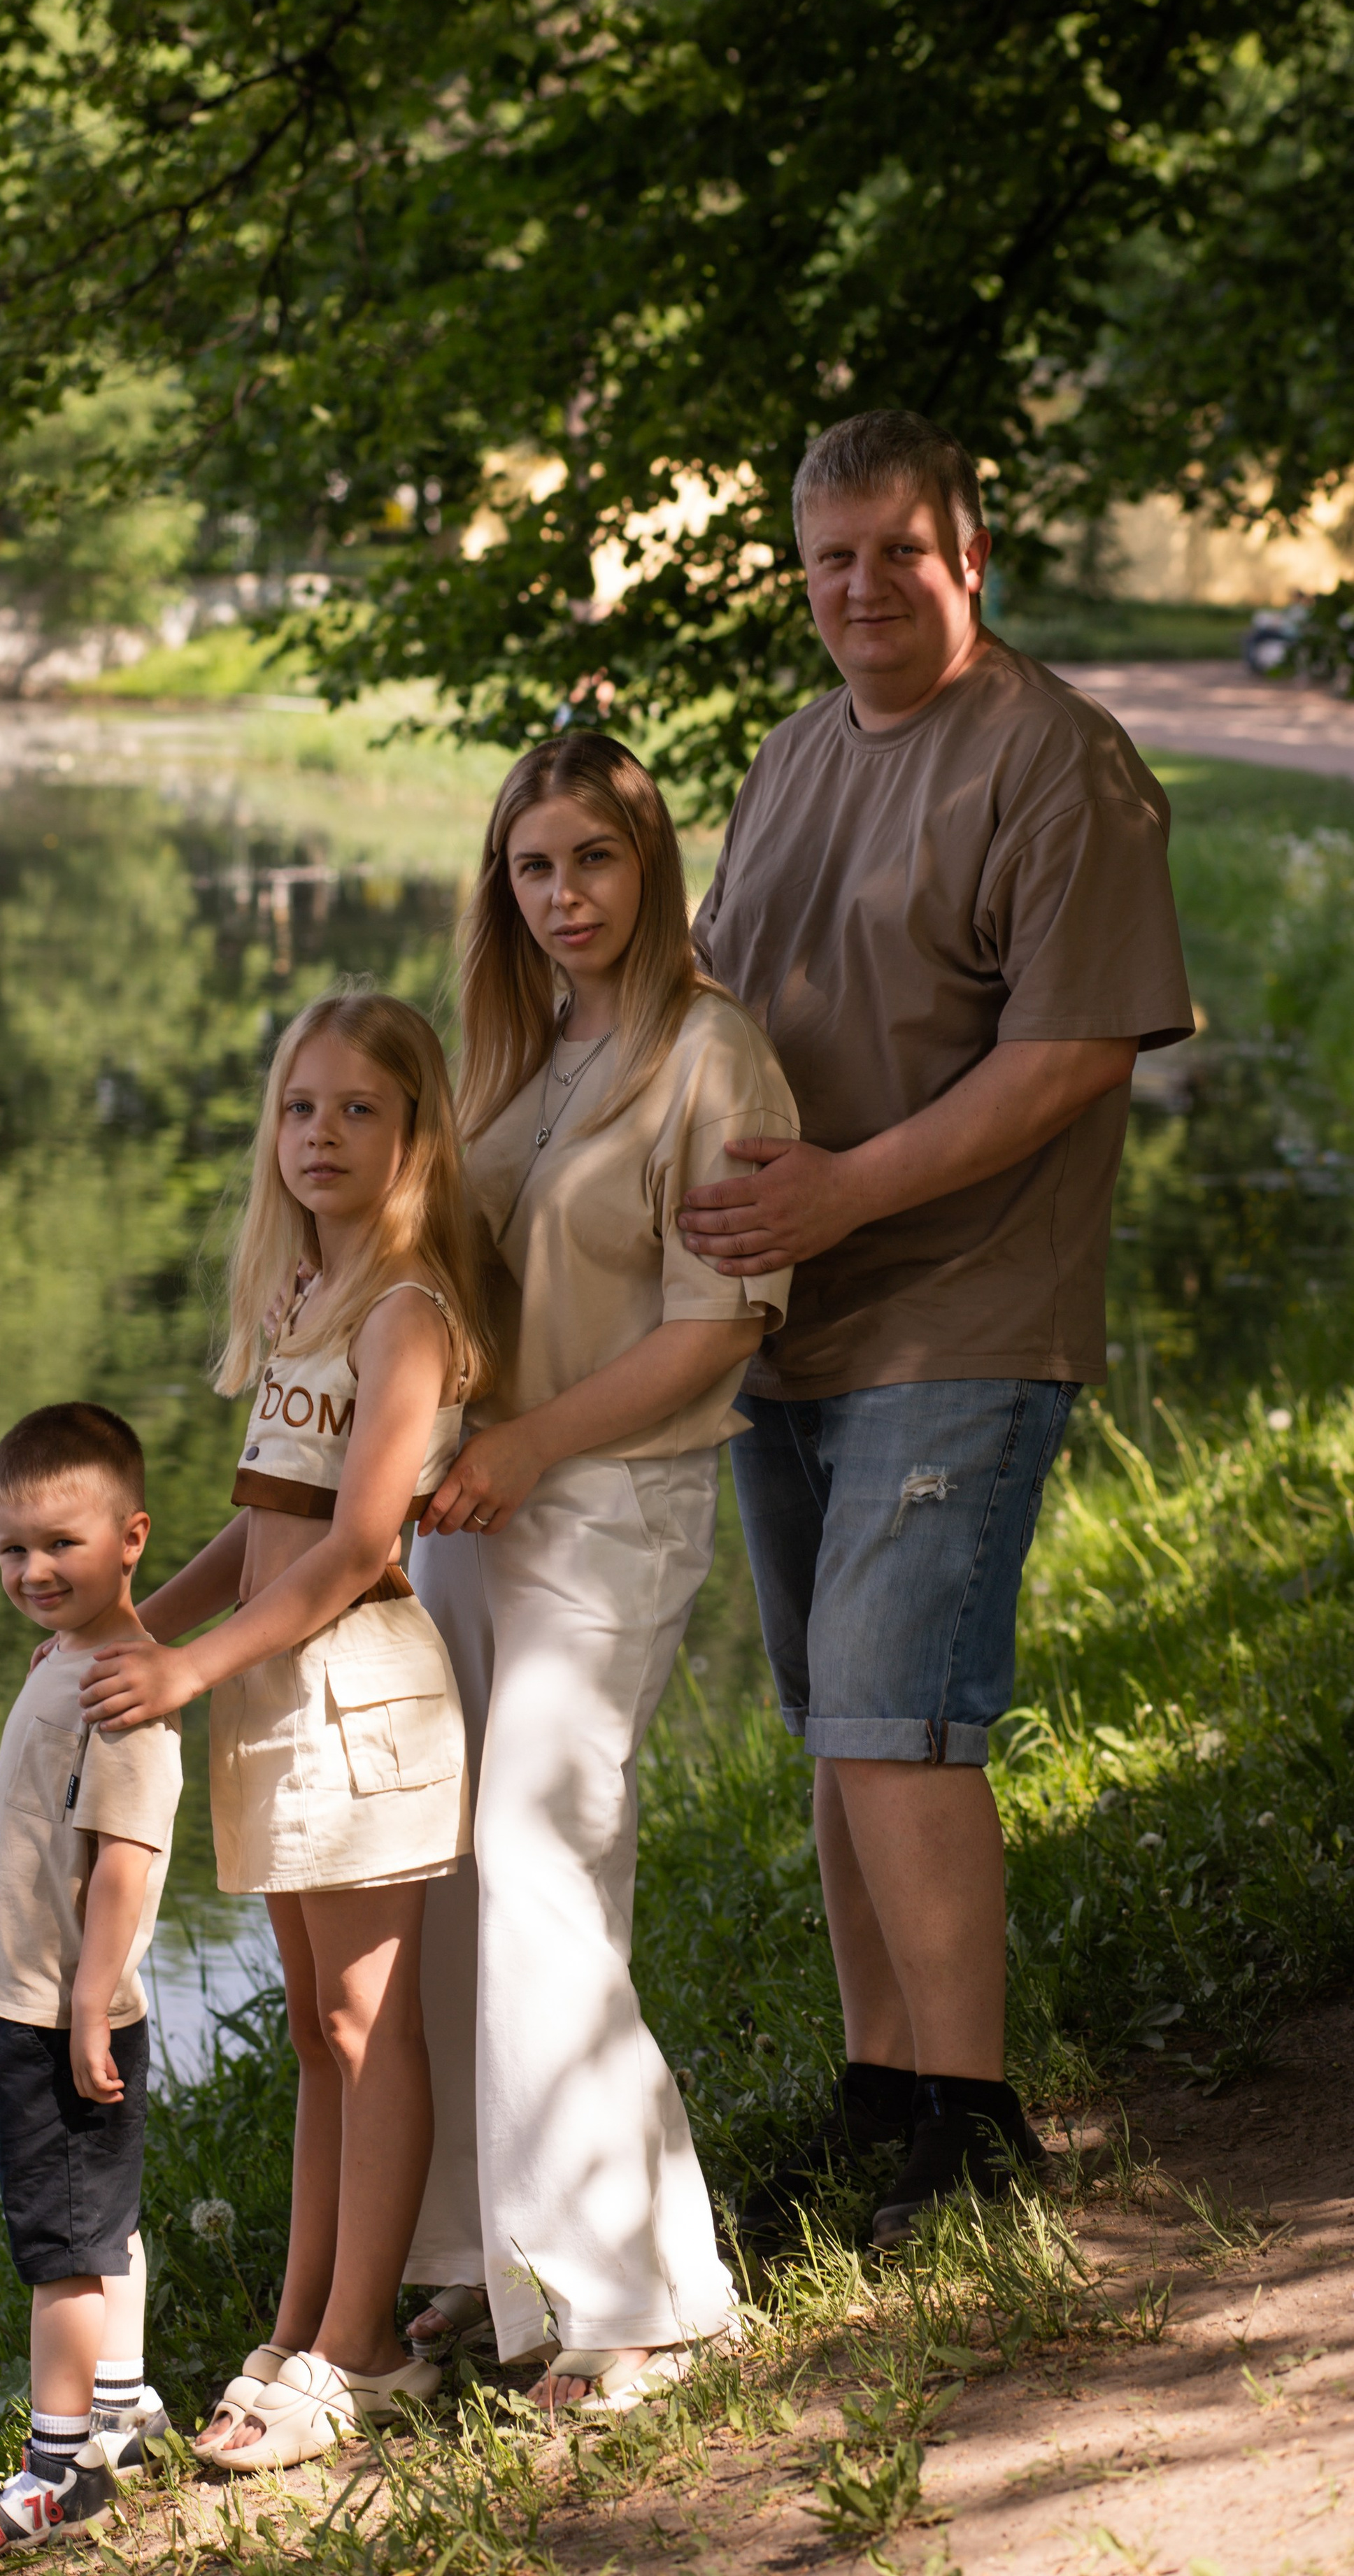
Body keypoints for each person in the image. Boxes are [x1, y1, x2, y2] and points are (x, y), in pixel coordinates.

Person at [679, 408, 1194, 2247]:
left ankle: (975, 2137)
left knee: (903, 1723)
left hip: (963, 1312)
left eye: (899, 550)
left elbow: (1069, 1056)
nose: (861, 587)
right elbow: (713, 1007)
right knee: (839, 1729)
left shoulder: (1061, 763)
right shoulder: (798, 750)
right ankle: (883, 2098)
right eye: (829, 557)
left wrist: (844, 1194)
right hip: (782, 1320)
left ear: (968, 554)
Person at [401, 731, 799, 2413]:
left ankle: (642, 2294)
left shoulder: (713, 1058)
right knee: (443, 1872)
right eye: (531, 866)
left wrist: (529, 1441)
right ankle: (482, 2263)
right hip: (472, 1509)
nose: (561, 896)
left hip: (605, 1498)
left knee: (539, 1860)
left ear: (650, 869)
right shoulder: (512, 1051)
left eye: (592, 861)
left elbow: (717, 1324)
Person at [76, 992, 490, 2472]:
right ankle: (302, 2321)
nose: (319, 1135)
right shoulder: (296, 1303)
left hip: (360, 1701)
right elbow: (259, 1532)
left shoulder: (405, 1315)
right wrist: (129, 1627)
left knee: (367, 2024)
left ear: (413, 1133)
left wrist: (187, 1672)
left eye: (355, 1110)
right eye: (298, 1108)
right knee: (319, 2035)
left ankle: (360, 2351)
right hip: (271, 1698)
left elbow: (351, 1549)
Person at [0, 1401, 183, 2554]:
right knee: (104, 2228)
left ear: (132, 1537)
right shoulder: (78, 1659)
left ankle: (59, 2470)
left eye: (61, 1546)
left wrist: (89, 2001)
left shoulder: (123, 1690)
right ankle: (124, 2408)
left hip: (56, 2012)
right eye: (11, 1549)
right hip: (35, 2001)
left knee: (63, 2252)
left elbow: (128, 1866)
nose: (33, 1569)